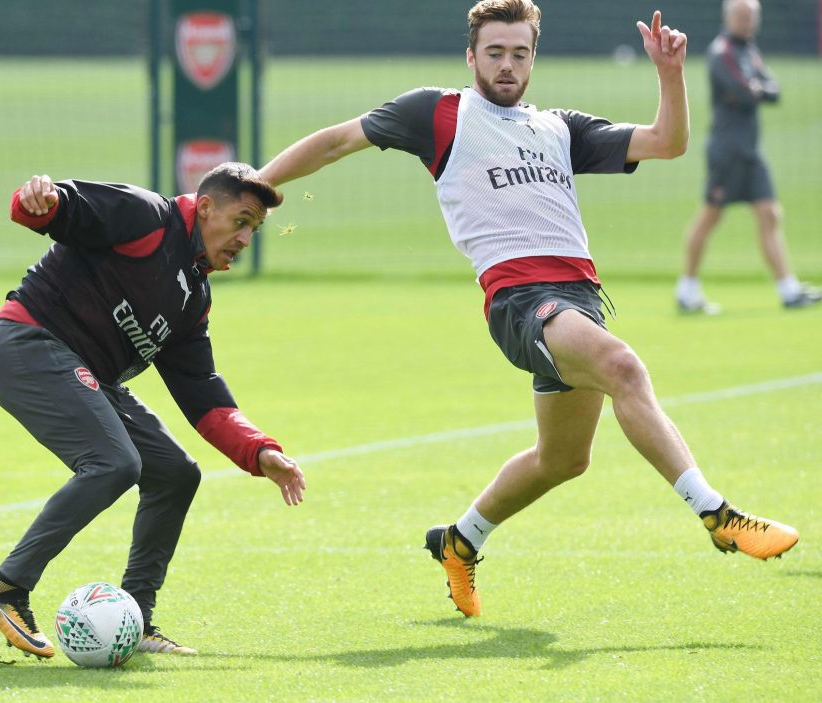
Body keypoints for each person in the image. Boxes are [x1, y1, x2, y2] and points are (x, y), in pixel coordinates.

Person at [259, 0, 798, 618]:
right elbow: (335, 142)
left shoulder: (557, 128)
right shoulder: (440, 113)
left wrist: (670, 74)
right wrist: (254, 186)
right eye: (495, 52)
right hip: (519, 300)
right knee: (623, 367)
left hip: (578, 301)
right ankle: (717, 514)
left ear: (533, 59)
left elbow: (667, 143)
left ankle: (459, 542)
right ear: (471, 56)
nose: (508, 65)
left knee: (563, 460)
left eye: (520, 53)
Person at [0, 162, 306, 657]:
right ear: (206, 206)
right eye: (241, 221)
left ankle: (137, 618)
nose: (244, 238)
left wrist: (259, 452)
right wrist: (36, 197)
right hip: (29, 345)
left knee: (174, 472)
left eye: (254, 229)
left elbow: (203, 393)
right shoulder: (146, 216)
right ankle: (4, 590)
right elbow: (54, 208)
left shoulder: (194, 298)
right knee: (115, 463)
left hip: (86, 372)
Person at [675, 0, 820, 313]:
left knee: (770, 214)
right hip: (728, 150)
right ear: (728, 18)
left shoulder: (749, 51)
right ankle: (687, 289)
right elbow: (744, 91)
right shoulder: (722, 51)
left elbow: (772, 90)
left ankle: (788, 289)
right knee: (710, 215)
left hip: (750, 151)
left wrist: (759, 89)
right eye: (741, 16)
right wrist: (757, 89)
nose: (747, 22)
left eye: (751, 17)